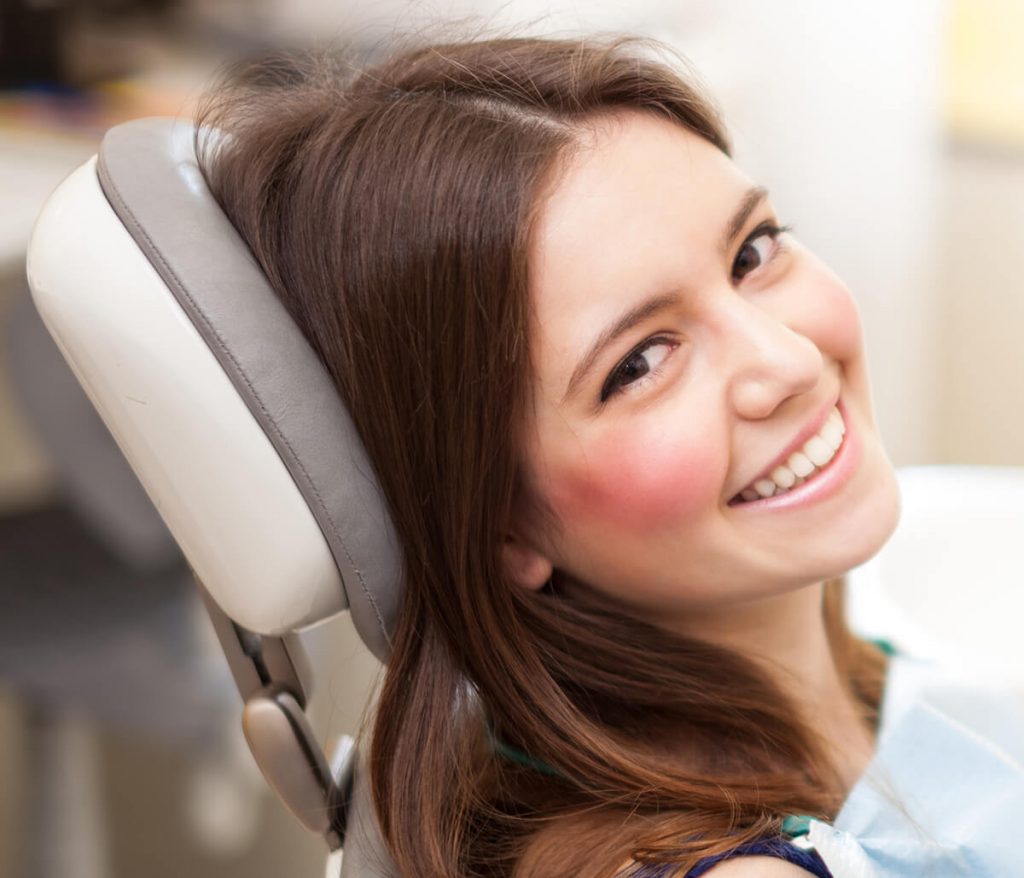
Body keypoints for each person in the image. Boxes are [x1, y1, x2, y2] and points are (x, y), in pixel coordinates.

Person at [194, 35, 903, 877]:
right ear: (500, 523)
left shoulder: (871, 687)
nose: (786, 362)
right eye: (638, 363)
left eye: (751, 252)